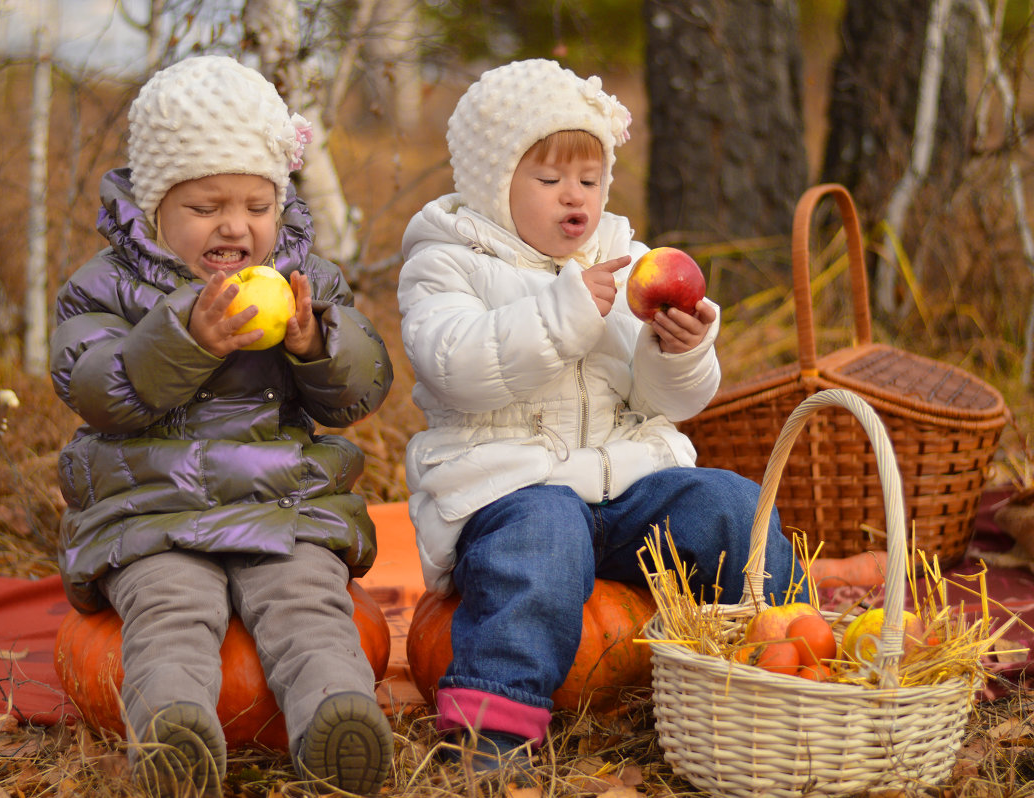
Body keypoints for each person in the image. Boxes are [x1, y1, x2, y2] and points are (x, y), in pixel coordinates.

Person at [396, 58, 807, 777]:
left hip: (627, 484)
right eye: (549, 181)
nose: (574, 199)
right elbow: (456, 365)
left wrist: (677, 353)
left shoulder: (627, 257)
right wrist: (566, 310)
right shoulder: (447, 262)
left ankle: (793, 658)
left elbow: (670, 404)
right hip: (511, 490)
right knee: (545, 545)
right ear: (495, 183)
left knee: (731, 506)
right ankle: (493, 732)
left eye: (588, 180)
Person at [50, 55, 394, 798]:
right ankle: (174, 734)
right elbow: (94, 388)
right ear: (153, 208)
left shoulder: (310, 282)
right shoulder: (101, 288)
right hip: (154, 513)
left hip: (281, 506)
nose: (236, 226)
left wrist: (315, 342)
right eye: (207, 207)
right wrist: (188, 340)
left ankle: (341, 722)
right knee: (172, 608)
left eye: (257, 205)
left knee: (310, 601)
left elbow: (361, 390)